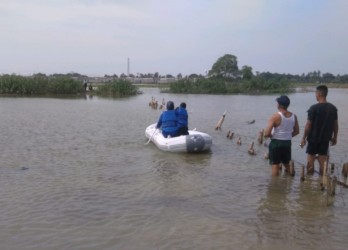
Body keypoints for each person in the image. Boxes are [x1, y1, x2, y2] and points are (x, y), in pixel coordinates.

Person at [300, 85, 338, 175]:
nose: (315, 95)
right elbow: (335, 125)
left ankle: (309, 183)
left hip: (313, 139)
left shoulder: (313, 108)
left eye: (316, 93)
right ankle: (322, 183)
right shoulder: (332, 108)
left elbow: (308, 125)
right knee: (323, 165)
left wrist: (303, 138)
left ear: (319, 94)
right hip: (325, 140)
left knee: (310, 163)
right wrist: (335, 137)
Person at [264, 95, 300, 176]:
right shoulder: (294, 116)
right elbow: (297, 131)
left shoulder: (275, 116)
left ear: (279, 105)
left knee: (275, 165)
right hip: (287, 143)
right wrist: (287, 136)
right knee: (287, 163)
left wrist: (270, 136)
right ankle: (291, 179)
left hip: (276, 143)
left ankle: (275, 185)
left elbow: (266, 133)